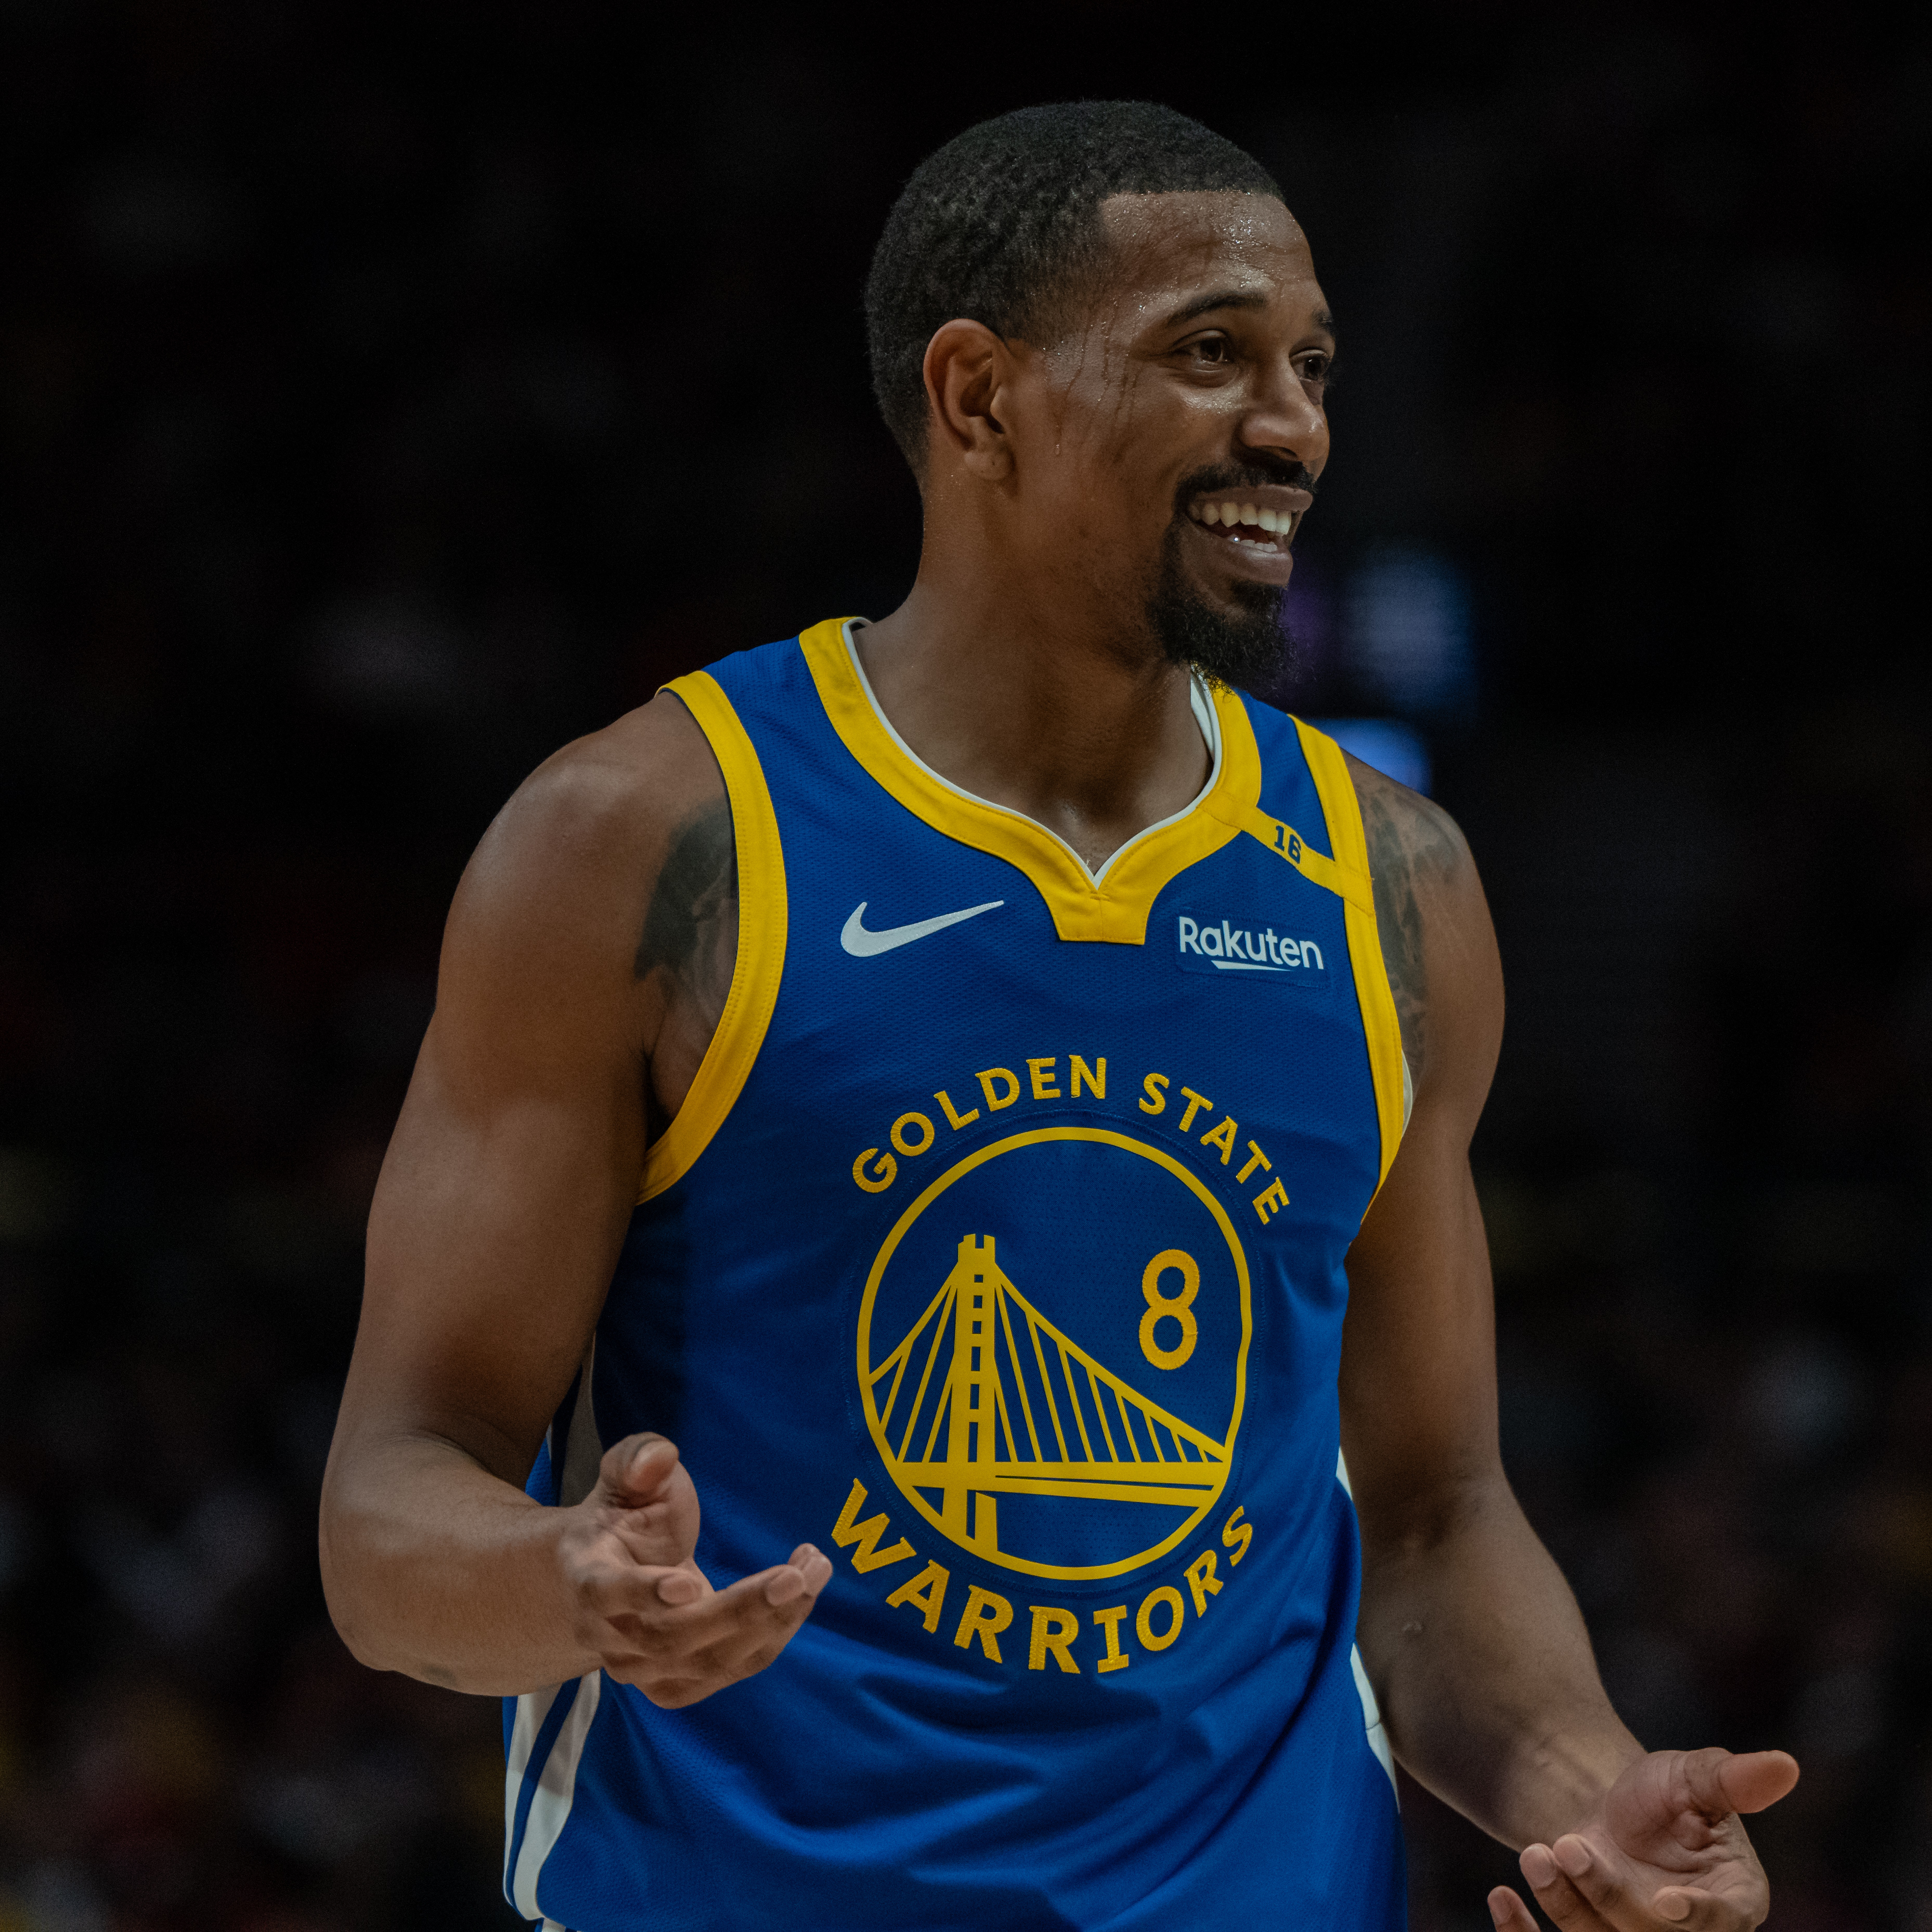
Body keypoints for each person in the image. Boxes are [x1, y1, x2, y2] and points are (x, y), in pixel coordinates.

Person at [318, 99, 1795, 1930]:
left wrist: (1593, 1788)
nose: (1297, 426)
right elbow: (390, 1509)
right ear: (978, 395)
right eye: (1212, 355)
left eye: (1313, 365)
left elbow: (1427, 1516)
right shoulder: (652, 843)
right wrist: (569, 1580)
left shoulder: (1390, 886)